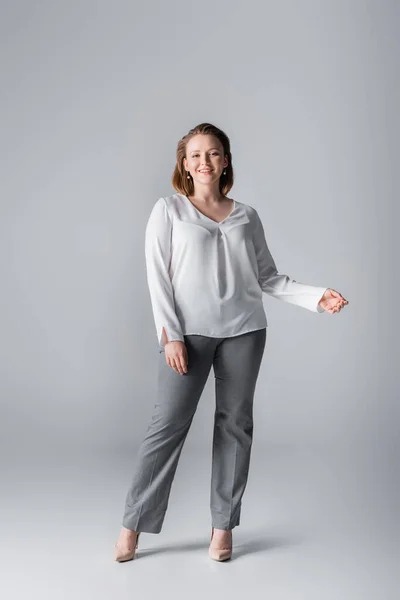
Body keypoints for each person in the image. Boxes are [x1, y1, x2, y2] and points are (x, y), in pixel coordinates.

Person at [114, 122, 349, 563]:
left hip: (244, 331)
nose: (205, 161)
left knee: (235, 428)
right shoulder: (168, 211)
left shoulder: (247, 215)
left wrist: (318, 296)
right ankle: (133, 523)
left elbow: (267, 278)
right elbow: (157, 278)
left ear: (226, 162)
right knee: (166, 429)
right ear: (184, 164)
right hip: (188, 334)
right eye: (196, 154)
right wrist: (171, 336)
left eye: (214, 153)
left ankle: (223, 527)